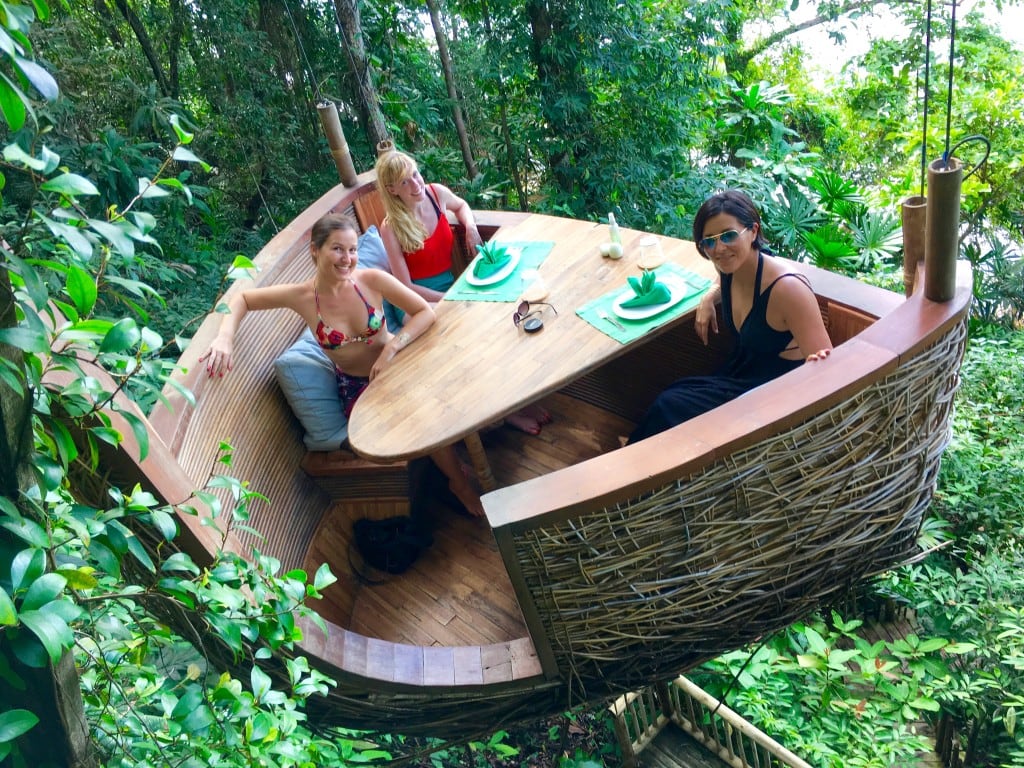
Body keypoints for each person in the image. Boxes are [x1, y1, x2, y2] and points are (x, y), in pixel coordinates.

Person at [199, 212, 485, 517]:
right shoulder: (302, 297)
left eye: (352, 249)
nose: (347, 258)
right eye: (337, 248)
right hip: (360, 386)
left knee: (445, 392)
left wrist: (391, 348)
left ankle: (458, 479)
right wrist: (224, 338)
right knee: (412, 420)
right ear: (315, 249)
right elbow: (242, 298)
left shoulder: (370, 279)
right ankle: (456, 473)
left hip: (398, 363)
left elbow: (424, 312)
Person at [628, 190, 832, 443]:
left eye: (729, 235)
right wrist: (708, 297)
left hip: (773, 391)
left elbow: (827, 368)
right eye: (709, 242)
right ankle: (637, 452)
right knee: (674, 392)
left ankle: (635, 463)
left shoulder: (787, 289)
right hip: (740, 372)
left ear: (753, 231)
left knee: (669, 405)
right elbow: (721, 275)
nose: (720, 248)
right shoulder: (730, 267)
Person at [375, 148, 552, 435]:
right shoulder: (391, 227)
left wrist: (469, 225)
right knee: (461, 339)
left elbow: (461, 206)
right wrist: (451, 299)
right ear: (392, 189)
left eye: (416, 175)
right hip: (415, 302)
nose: (416, 184)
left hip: (450, 285)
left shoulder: (435, 194)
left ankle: (513, 401)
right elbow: (404, 286)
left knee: (496, 321)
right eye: (405, 182)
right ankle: (505, 414)